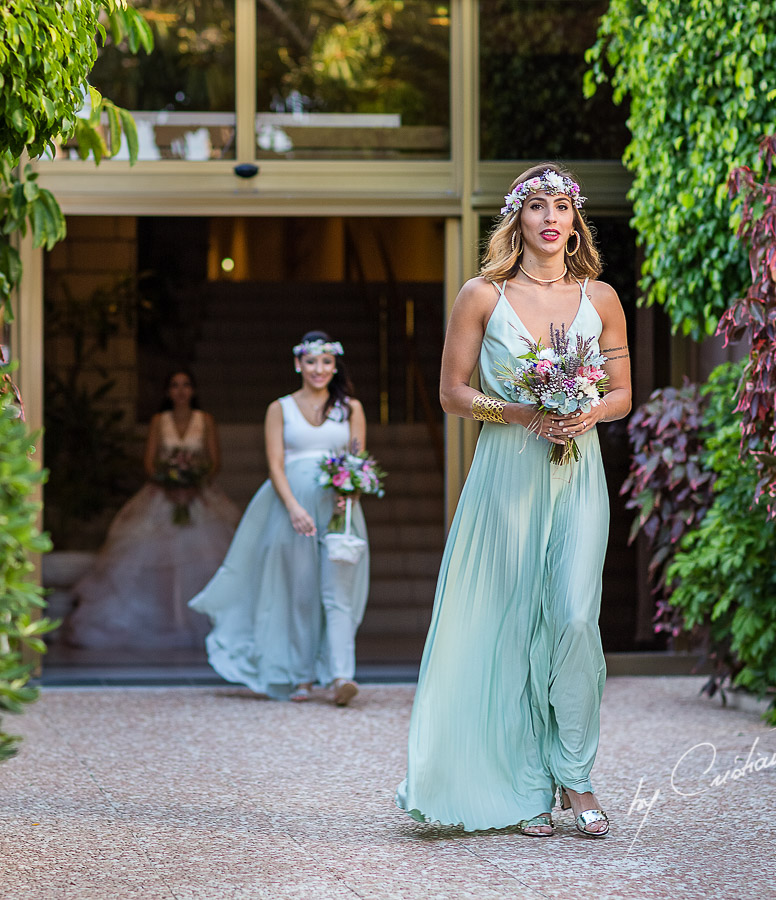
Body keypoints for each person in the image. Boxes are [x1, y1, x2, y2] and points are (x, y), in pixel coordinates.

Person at [394, 163, 632, 838]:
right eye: (537, 206)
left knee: (574, 618)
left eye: (562, 206)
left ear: (574, 220)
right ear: (518, 220)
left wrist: (584, 413)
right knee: (512, 622)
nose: (551, 218)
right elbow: (452, 394)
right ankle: (525, 782)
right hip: (507, 473)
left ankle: (576, 775)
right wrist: (522, 412)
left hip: (578, 471)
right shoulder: (482, 295)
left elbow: (621, 395)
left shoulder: (602, 297)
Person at [189, 331, 370, 705]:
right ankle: (301, 676)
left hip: (339, 512)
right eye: (311, 362)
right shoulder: (280, 408)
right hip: (293, 512)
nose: (318, 369)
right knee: (300, 592)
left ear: (335, 365)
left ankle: (341, 677)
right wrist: (293, 507)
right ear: (298, 364)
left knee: (338, 592)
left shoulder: (350, 408)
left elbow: (357, 460)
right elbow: (274, 465)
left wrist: (348, 493)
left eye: (326, 362)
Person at [63, 370, 240, 651]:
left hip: (199, 495)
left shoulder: (205, 420)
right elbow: (149, 461)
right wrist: (170, 480)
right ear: (168, 392)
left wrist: (194, 482)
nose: (180, 391)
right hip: (163, 494)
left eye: (185, 385)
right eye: (174, 385)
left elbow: (213, 461)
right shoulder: (159, 421)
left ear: (193, 390)